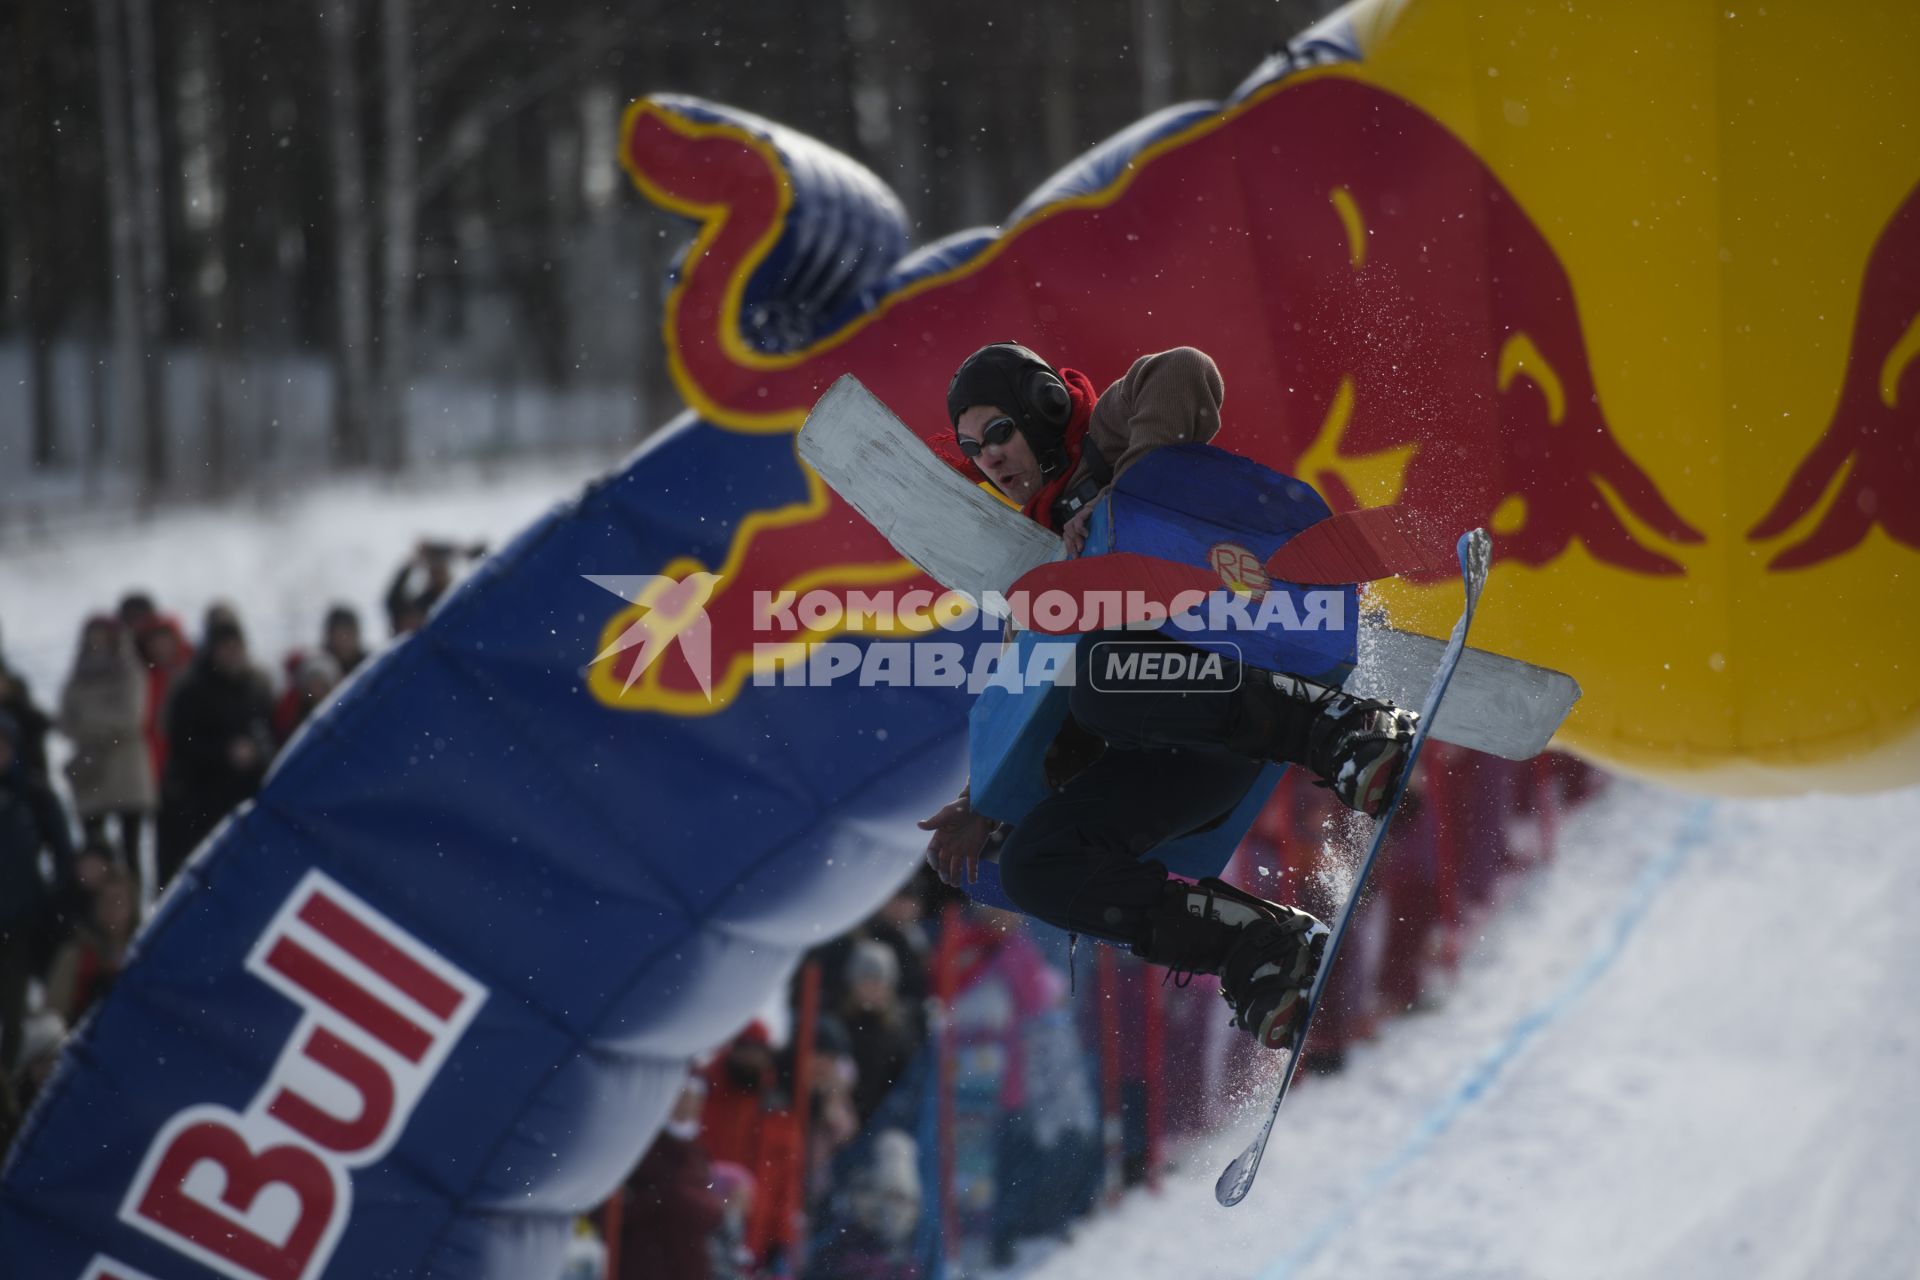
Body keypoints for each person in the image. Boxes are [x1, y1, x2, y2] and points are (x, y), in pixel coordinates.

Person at [919, 343, 1417, 1052]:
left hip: (1222, 674)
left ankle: (1339, 728)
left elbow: (1184, 371)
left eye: (998, 431)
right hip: (1168, 753)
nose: (990, 458)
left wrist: (1127, 493)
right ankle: (1252, 946)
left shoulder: (1098, 441)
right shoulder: (1037, 552)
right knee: (1035, 863)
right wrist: (983, 801)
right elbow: (1026, 685)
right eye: (973, 450)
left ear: (1044, 408)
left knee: (1103, 676)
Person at [154, 619, 274, 889]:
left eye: (236, 647)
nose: (231, 654)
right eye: (225, 647)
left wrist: (256, 754)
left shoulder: (255, 687)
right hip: (200, 805)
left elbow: (269, 735)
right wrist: (224, 752)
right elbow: (182, 745)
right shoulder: (191, 691)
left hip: (244, 801)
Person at [1, 710, 77, 1072]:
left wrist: (53, 903)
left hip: (20, 920)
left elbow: (64, 853)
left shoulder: (33, 794)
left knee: (14, 1010)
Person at [58, 616, 156, 882]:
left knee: (131, 849)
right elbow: (65, 722)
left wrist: (89, 721)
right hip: (91, 772)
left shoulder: (129, 670)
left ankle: (134, 909)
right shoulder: (77, 675)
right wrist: (103, 722)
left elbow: (131, 718)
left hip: (127, 773)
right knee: (94, 853)